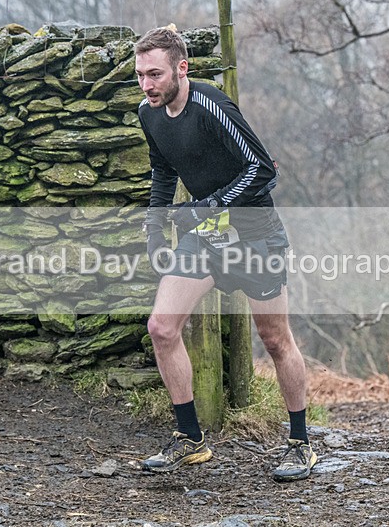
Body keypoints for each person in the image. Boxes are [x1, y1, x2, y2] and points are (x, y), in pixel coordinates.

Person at [134, 26, 316, 482]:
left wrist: (209, 205)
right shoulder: (148, 113)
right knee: (161, 327)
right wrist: (156, 230)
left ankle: (300, 444)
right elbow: (162, 171)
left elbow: (262, 169)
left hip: (254, 231)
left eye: (154, 74)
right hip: (205, 235)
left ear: (182, 68)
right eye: (139, 75)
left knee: (275, 340)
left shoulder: (211, 104)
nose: (146, 85)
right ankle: (191, 440)